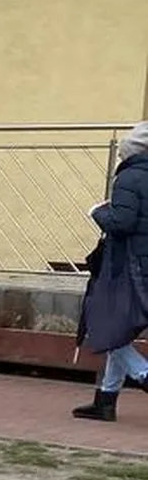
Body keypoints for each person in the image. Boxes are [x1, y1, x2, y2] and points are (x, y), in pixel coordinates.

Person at [73, 122, 148, 420]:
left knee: (104, 324)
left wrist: (98, 212)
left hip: (130, 268)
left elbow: (122, 223)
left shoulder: (129, 177)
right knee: (116, 329)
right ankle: (106, 400)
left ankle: (143, 373)